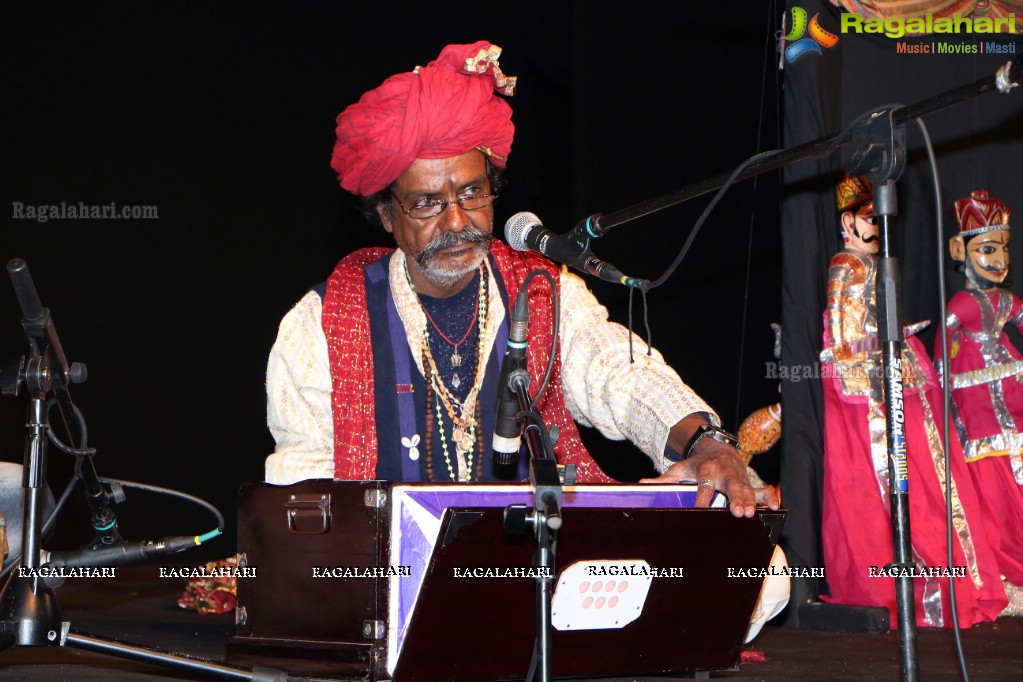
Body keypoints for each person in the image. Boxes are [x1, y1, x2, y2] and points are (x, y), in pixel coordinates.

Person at [263, 41, 787, 637]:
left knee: (760, 571)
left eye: (471, 193)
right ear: (387, 214)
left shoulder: (541, 291)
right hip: (396, 572)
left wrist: (707, 442)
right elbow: (299, 498)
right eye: (428, 203)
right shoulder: (322, 322)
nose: (457, 221)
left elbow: (622, 376)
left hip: (543, 561)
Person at [819, 173, 1009, 627]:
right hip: (875, 389)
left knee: (931, 480)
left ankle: (957, 583)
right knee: (897, 487)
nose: (878, 227)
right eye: (868, 219)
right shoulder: (846, 263)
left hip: (898, 375)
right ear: (848, 221)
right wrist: (886, 348)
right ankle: (911, 588)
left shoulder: (873, 263)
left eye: (879, 218)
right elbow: (842, 337)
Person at [945, 189, 1023, 610]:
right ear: (960, 249)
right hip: (976, 403)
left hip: (1012, 393)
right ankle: (1003, 571)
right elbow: (942, 340)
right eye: (988, 249)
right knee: (990, 482)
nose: (1000, 259)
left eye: (1005, 248)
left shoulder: (1007, 300)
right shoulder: (963, 302)